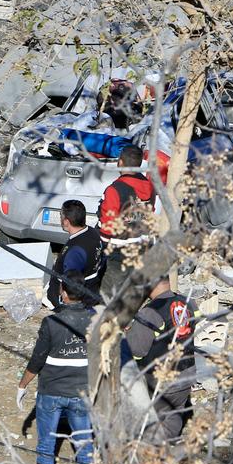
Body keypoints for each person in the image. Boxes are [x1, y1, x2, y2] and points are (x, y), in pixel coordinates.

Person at [18, 277, 94, 464]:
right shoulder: (95, 321)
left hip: (51, 392)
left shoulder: (52, 322)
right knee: (84, 443)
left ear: (63, 292)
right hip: (82, 392)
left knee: (46, 444)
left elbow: (37, 360)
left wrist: (22, 385)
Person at [123, 274, 196, 440]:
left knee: (151, 423)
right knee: (174, 415)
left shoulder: (150, 312)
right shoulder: (188, 302)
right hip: (187, 372)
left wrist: (130, 333)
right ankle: (170, 448)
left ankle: (154, 454)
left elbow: (136, 350)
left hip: (160, 381)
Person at [97, 145, 155, 302]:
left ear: (120, 162)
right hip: (142, 246)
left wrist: (101, 246)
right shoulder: (149, 186)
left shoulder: (114, 190)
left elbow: (108, 227)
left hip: (119, 251)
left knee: (109, 294)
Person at [46, 199, 104, 309]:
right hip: (93, 291)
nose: (60, 219)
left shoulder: (75, 253)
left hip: (72, 304)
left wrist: (62, 302)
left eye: (61, 216)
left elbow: (71, 285)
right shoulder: (93, 232)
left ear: (66, 221)